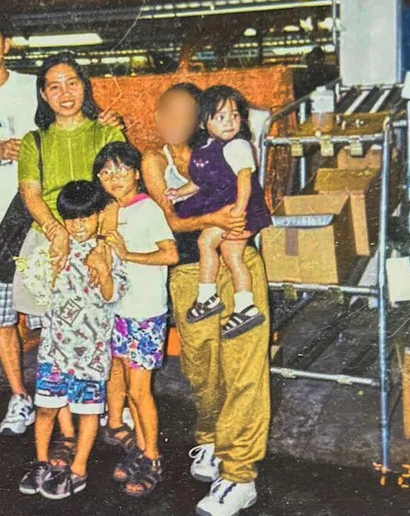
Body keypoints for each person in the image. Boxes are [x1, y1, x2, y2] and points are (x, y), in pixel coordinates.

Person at [0, 12, 123, 435]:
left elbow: (81, 123)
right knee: (0, 319)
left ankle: (75, 401)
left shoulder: (37, 85)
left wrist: (108, 126)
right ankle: (20, 398)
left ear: (6, 43)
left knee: (56, 319)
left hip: (43, 231)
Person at [142, 83, 271, 515]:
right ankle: (212, 439)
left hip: (237, 263)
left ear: (201, 117)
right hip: (189, 272)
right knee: (202, 368)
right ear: (157, 117)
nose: (177, 121)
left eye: (187, 113)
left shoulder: (223, 148)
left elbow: (247, 193)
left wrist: (234, 218)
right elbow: (174, 220)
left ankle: (239, 475)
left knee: (244, 368)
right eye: (169, 113)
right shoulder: (154, 160)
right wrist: (216, 217)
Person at [14, 51, 126, 466]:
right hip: (46, 242)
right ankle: (63, 430)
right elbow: (30, 192)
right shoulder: (34, 140)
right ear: (43, 94)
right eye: (54, 86)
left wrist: (101, 243)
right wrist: (56, 232)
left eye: (72, 83)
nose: (65, 93)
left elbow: (117, 192)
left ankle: (105, 419)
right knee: (51, 336)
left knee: (103, 333)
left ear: (85, 86)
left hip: (95, 239)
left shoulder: (106, 134)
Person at [17, 180, 126, 500]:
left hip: (90, 354)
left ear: (97, 217)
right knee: (46, 409)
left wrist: (103, 269)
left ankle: (78, 469)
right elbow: (40, 292)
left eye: (86, 217)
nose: (79, 225)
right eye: (72, 219)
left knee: (88, 413)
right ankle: (40, 463)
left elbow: (112, 297)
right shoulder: (53, 250)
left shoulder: (107, 252)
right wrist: (50, 268)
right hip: (54, 350)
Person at [95, 142, 178, 497]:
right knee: (122, 380)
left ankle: (153, 456)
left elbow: (171, 253)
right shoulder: (110, 210)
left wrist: (129, 255)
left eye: (121, 170)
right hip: (118, 311)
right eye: (105, 172)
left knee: (140, 391)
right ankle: (136, 446)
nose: (113, 178)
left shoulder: (147, 210)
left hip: (144, 313)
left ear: (136, 174)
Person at [165, 85, 271, 340]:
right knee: (229, 253)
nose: (230, 122)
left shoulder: (237, 146)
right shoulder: (206, 149)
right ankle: (240, 304)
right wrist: (180, 192)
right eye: (220, 117)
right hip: (226, 207)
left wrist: (238, 211)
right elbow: (201, 181)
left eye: (235, 116)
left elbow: (245, 180)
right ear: (203, 123)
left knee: (213, 245)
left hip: (239, 209)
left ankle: (212, 298)